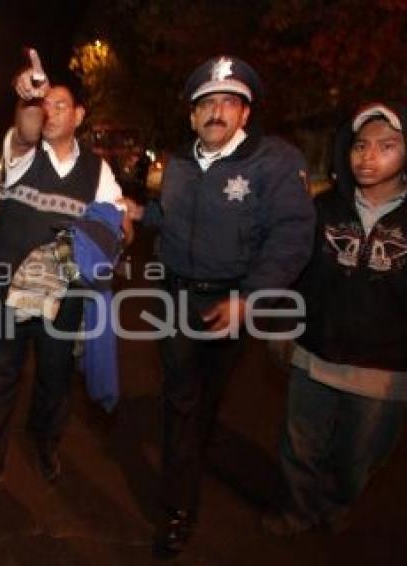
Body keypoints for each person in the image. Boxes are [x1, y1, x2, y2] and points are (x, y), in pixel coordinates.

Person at [124, 56, 315, 558]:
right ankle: (178, 509)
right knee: (180, 399)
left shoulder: (276, 162)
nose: (216, 112)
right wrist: (141, 212)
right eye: (206, 103)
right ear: (192, 116)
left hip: (232, 299)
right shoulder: (179, 162)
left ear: (245, 114)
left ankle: (191, 451)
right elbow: (170, 218)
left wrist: (249, 298)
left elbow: (293, 238)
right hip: (177, 297)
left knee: (207, 397)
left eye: (228, 102)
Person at [0, 49, 131, 496]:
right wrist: (28, 101)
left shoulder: (98, 170)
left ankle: (46, 442)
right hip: (9, 291)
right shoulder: (21, 152)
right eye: (45, 104)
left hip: (65, 296)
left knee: (54, 381)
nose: (50, 112)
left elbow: (119, 226)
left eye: (60, 105)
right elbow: (24, 131)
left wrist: (117, 230)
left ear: (78, 115)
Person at [262, 103, 407, 537]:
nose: (368, 156)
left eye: (386, 146)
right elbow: (295, 270)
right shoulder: (324, 209)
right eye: (360, 145)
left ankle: (337, 501)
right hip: (315, 352)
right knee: (301, 446)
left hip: (384, 370)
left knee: (357, 458)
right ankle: (297, 512)